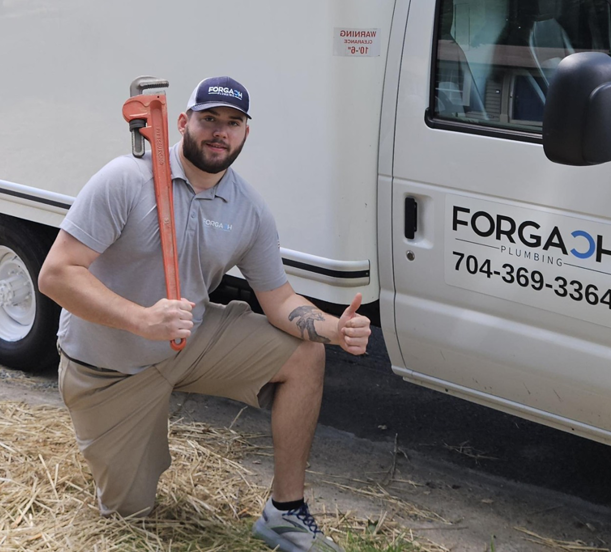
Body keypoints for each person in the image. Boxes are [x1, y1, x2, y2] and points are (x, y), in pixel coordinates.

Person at [38, 76, 371, 552]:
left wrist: (334, 329)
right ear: (181, 122)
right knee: (129, 519)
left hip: (189, 342)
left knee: (305, 354)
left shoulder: (248, 209)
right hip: (110, 367)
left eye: (233, 123)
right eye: (209, 118)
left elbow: (279, 301)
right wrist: (140, 319)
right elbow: (56, 275)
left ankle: (285, 514)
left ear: (245, 134)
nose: (220, 131)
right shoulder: (124, 180)